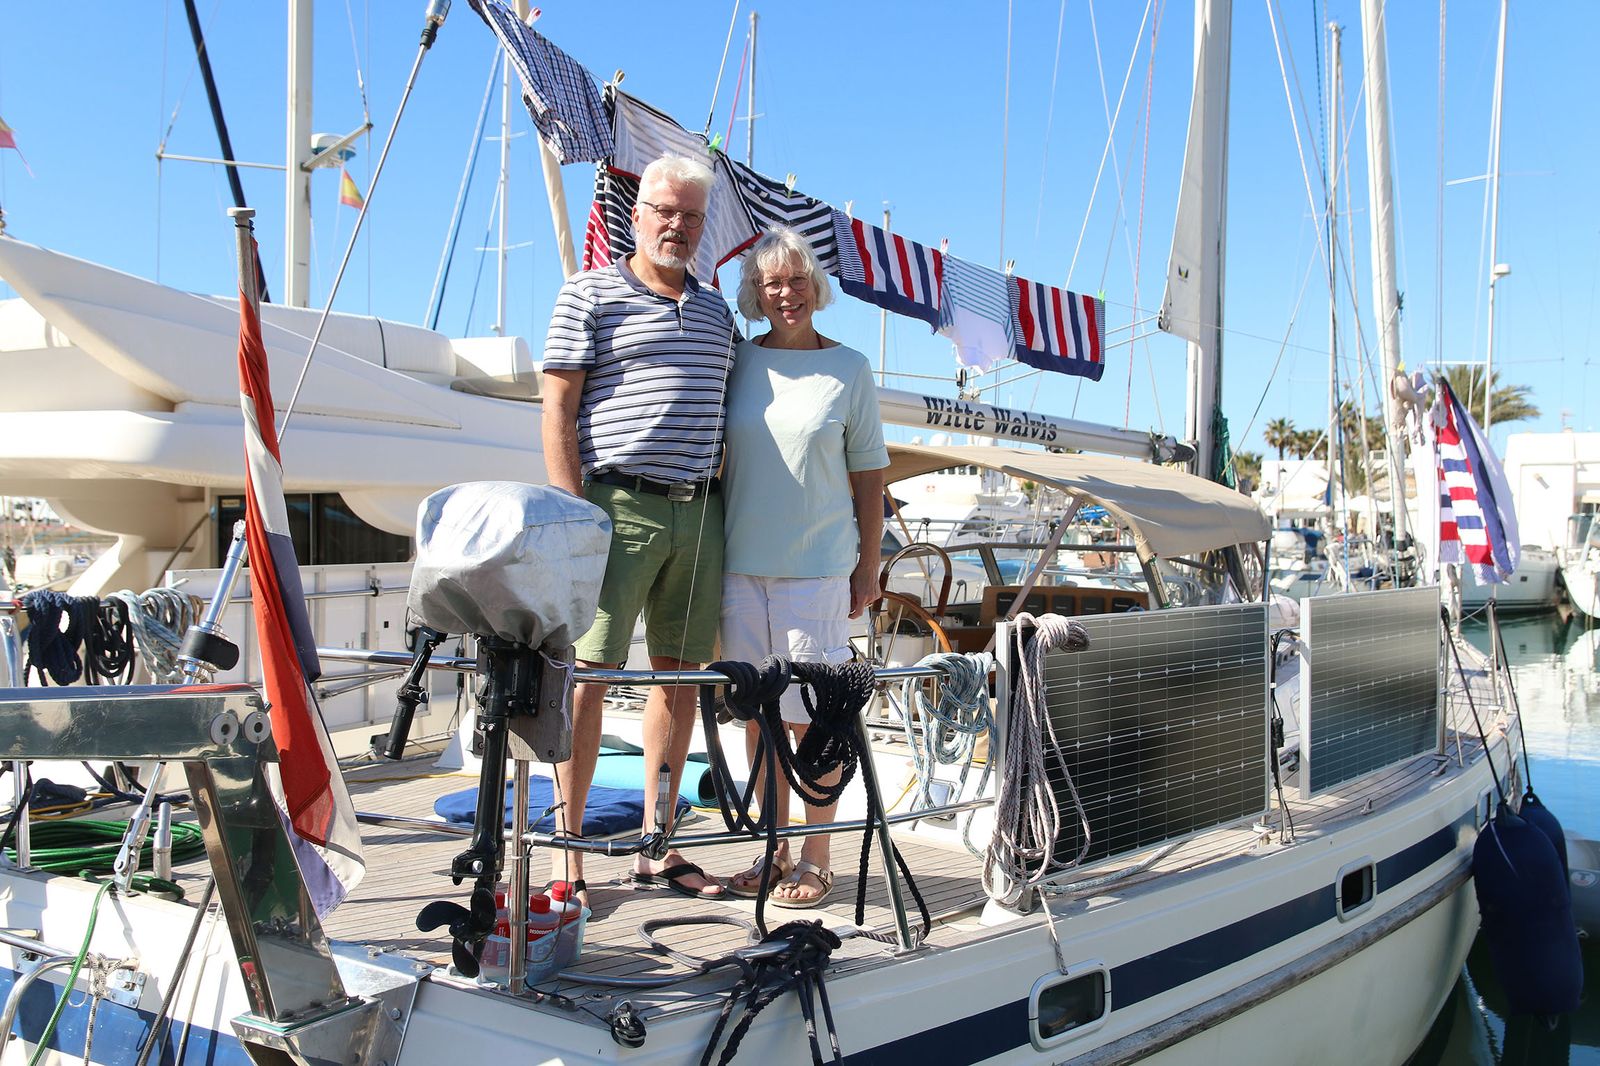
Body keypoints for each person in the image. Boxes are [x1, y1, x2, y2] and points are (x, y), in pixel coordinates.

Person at [541, 153, 737, 902]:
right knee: (586, 681)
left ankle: (658, 845)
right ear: (638, 212)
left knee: (680, 680)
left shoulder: (719, 312)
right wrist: (572, 512)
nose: (677, 226)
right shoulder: (587, 294)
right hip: (615, 507)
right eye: (665, 210)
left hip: (701, 512)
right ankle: (570, 858)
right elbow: (557, 407)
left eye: (691, 215)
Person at [717, 226, 889, 907]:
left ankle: (818, 858)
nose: (784, 292)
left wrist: (868, 568)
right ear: (755, 294)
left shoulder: (849, 369)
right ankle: (772, 849)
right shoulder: (737, 361)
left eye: (794, 280)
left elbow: (871, 479)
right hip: (738, 567)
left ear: (814, 286)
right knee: (759, 723)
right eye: (769, 283)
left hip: (817, 569)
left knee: (815, 719)